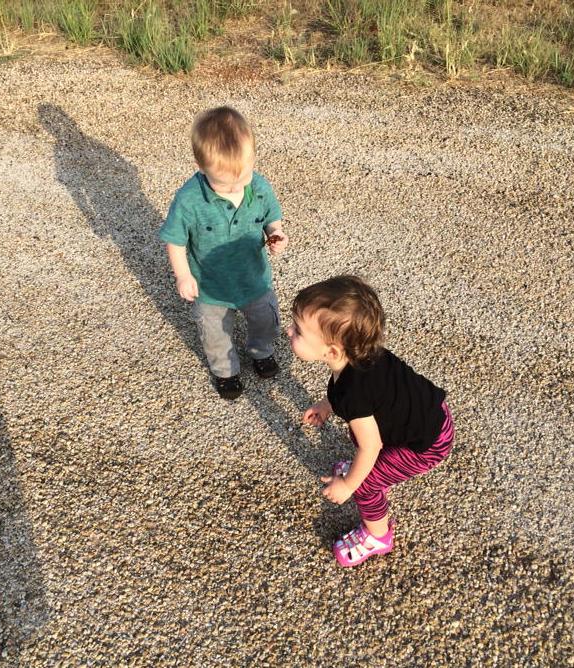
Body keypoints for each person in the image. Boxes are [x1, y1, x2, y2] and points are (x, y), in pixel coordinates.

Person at [287, 275, 454, 567]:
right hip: (432, 416)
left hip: (424, 444)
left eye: (298, 331)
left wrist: (350, 484)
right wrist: (328, 404)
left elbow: (371, 446)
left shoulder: (355, 394)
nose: (289, 331)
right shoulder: (363, 355)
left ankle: (378, 536)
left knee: (367, 485)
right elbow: (353, 394)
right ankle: (369, 483)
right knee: (360, 439)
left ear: (332, 351)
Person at [160, 106, 288, 400]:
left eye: (240, 179)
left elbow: (272, 217)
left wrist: (276, 234)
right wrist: (182, 275)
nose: (233, 187)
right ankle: (224, 371)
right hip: (211, 284)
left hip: (253, 278)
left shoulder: (259, 186)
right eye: (223, 183)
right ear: (200, 165)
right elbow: (176, 240)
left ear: (253, 158)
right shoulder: (189, 199)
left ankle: (262, 352)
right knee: (215, 332)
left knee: (265, 320)